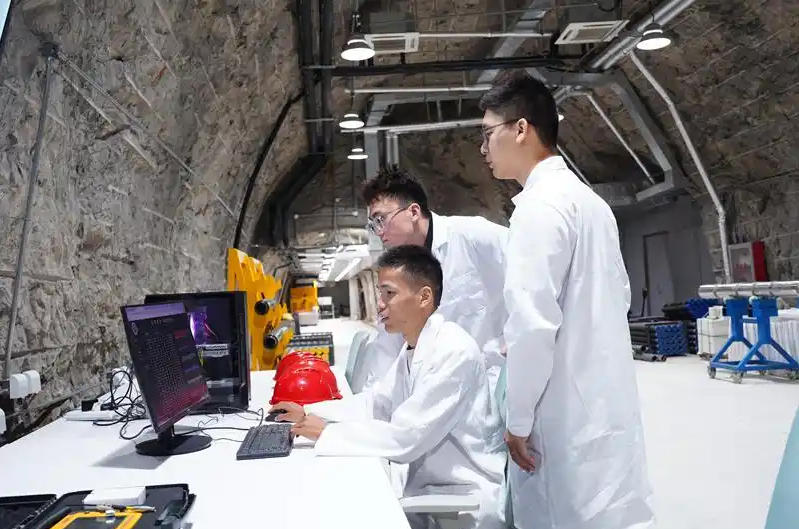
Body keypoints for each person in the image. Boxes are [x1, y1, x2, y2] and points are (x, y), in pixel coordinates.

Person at [479, 70, 656, 529]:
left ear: (521, 129)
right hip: (605, 408)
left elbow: (532, 326)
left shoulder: (538, 209)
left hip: (561, 424)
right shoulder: (590, 203)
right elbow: (616, 297)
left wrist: (517, 422)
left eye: (488, 134)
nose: (483, 149)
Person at [271, 245, 505, 529]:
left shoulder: (454, 352)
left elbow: (406, 437)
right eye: (379, 294)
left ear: (424, 297)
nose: (380, 304)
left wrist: (327, 433)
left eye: (389, 294)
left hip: (460, 503)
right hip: (430, 488)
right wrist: (309, 411)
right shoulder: (414, 346)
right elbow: (376, 403)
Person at [358, 167, 508, 392]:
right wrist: (372, 398)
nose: (379, 232)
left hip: (489, 381)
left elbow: (534, 276)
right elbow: (388, 345)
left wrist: (513, 341)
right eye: (373, 225)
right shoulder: (399, 269)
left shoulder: (473, 236)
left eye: (381, 219)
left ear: (413, 211)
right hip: (437, 386)